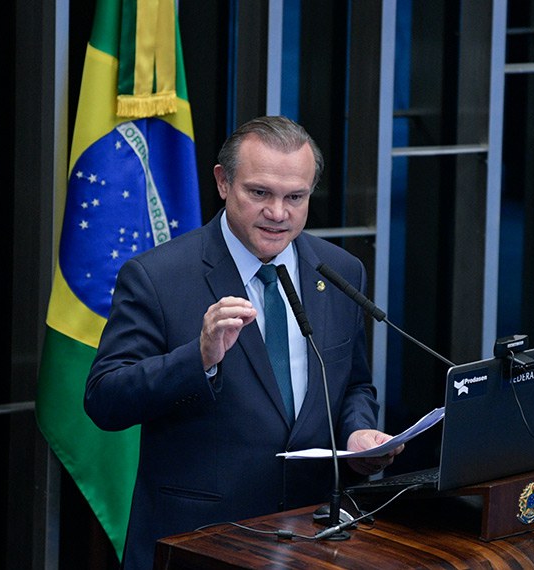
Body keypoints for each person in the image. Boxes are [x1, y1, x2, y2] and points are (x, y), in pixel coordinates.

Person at [85, 116, 402, 569]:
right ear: (223, 182)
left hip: (316, 537)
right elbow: (105, 399)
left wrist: (357, 434)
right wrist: (198, 358)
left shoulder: (339, 271)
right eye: (260, 193)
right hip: (201, 542)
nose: (278, 213)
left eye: (295, 197)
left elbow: (353, 384)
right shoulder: (157, 277)